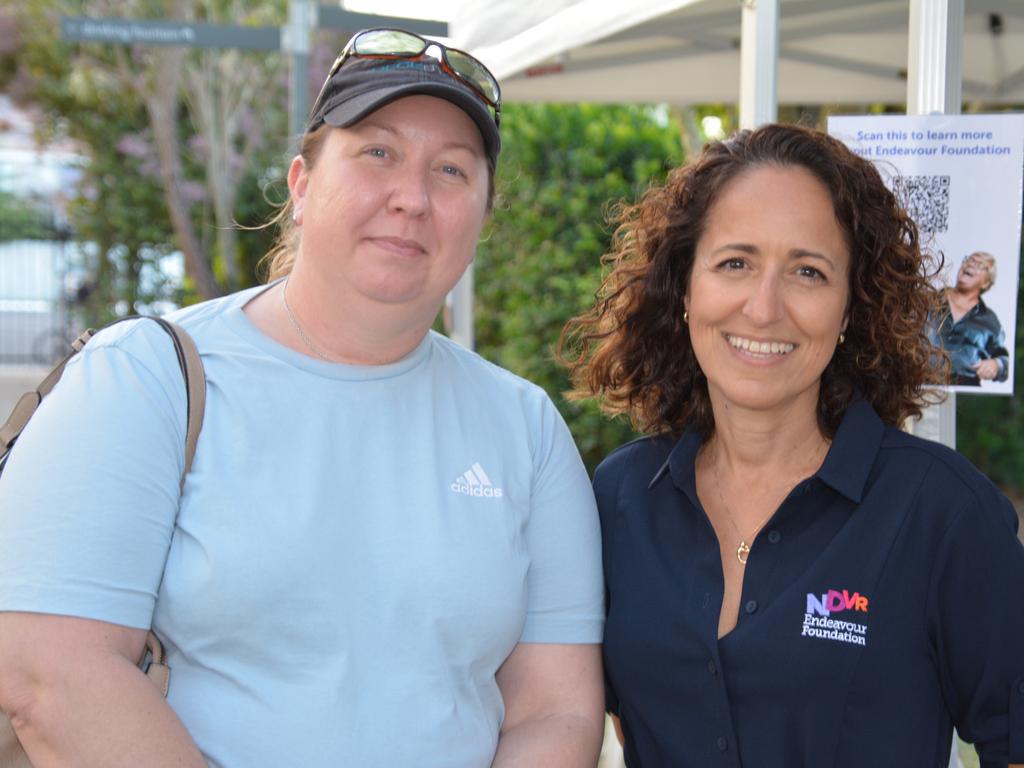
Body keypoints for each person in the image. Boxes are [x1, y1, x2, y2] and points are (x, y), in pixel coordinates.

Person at [0, 28, 605, 767]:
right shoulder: (143, 379)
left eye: (451, 170)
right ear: (302, 183)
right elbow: (48, 673)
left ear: (481, 217)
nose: (411, 198)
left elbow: (557, 710)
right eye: (376, 152)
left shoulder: (524, 428)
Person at [561, 123, 1024, 767]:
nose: (763, 307)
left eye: (808, 271)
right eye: (735, 263)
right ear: (686, 290)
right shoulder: (620, 499)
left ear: (848, 308)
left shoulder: (943, 513)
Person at [927, 250, 1010, 386]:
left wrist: (996, 365)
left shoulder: (990, 320)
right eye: (969, 260)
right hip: (920, 385)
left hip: (965, 389)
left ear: (986, 283)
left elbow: (1003, 358)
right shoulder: (926, 301)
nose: (971, 264)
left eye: (980, 265)